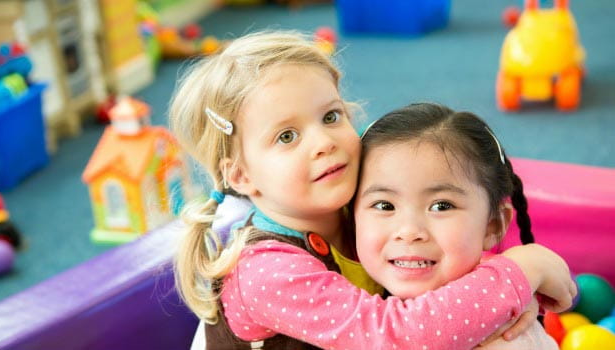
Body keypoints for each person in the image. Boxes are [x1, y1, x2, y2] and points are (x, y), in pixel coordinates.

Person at [169, 30, 576, 349]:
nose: (323, 142)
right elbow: (394, 338)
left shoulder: (360, 204)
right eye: (287, 136)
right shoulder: (265, 271)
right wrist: (519, 271)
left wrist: (505, 298)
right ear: (241, 176)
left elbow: (444, 245)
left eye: (330, 116)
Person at [354, 103, 561, 349]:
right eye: (384, 205)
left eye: (441, 206)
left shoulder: (507, 339)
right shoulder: (344, 290)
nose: (409, 231)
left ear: (492, 225)